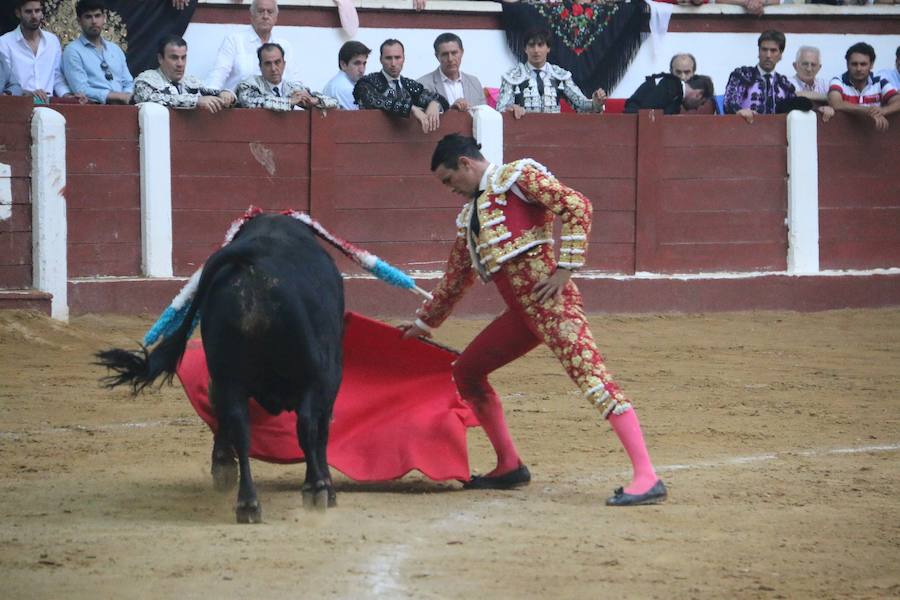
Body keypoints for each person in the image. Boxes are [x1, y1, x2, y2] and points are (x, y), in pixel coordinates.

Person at [400, 134, 667, 507]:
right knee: (467, 372)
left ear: (465, 163)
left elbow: (578, 206)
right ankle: (509, 465)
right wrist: (424, 324)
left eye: (449, 180)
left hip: (553, 305)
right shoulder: (471, 215)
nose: (450, 190)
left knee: (592, 378)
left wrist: (565, 269)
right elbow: (457, 278)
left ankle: (647, 475)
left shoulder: (518, 177)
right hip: (523, 315)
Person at [724, 30, 832, 124]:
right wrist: (739, 111)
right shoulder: (742, 75)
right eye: (764, 49)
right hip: (745, 133)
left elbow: (796, 108)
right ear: (758, 51)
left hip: (775, 139)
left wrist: (820, 109)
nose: (768, 55)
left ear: (780, 55)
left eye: (773, 50)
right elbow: (729, 102)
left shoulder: (784, 84)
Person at [496, 29, 606, 118]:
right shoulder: (512, 77)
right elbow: (500, 109)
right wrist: (511, 108)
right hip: (522, 135)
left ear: (548, 48)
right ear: (525, 49)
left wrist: (595, 103)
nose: (536, 50)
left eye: (540, 45)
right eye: (531, 45)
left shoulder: (559, 75)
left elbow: (581, 104)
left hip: (554, 135)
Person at [353, 39, 449, 133]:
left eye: (397, 58)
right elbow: (377, 101)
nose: (393, 63)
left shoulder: (408, 85)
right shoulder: (367, 82)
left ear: (403, 59)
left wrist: (435, 103)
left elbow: (441, 100)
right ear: (381, 59)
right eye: (388, 58)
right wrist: (411, 108)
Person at [205, 0, 299, 92]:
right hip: (239, 105)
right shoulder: (234, 41)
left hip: (277, 105)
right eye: (260, 11)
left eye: (270, 12)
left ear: (276, 18)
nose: (265, 16)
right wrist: (209, 96)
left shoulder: (284, 46)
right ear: (251, 15)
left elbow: (294, 82)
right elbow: (218, 75)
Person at [133, 34, 236, 112]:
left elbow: (210, 93)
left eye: (183, 57)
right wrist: (196, 101)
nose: (180, 64)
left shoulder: (191, 82)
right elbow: (153, 98)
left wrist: (225, 94)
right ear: (160, 58)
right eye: (174, 58)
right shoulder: (145, 81)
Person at [0, 0, 75, 103]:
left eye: (37, 10)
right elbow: (6, 83)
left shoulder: (52, 41)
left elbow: (57, 77)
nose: (34, 16)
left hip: (49, 106)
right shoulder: (5, 42)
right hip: (18, 104)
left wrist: (67, 95)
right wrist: (26, 93)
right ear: (18, 13)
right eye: (28, 12)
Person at [62, 0, 133, 105]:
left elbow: (128, 82)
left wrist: (127, 96)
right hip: (93, 109)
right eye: (88, 17)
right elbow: (81, 89)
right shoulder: (72, 51)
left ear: (104, 18)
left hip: (125, 108)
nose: (94, 21)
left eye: (97, 15)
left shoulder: (115, 49)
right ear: (79, 21)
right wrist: (116, 96)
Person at [236, 43, 337, 111]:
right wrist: (289, 101)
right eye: (268, 63)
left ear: (284, 64)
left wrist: (314, 101)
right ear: (260, 66)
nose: (273, 68)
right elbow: (253, 102)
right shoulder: (249, 84)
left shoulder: (292, 88)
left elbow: (334, 102)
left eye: (277, 62)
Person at [828, 42, 900, 133]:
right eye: (854, 64)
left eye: (863, 64)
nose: (859, 68)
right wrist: (867, 111)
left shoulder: (879, 81)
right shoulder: (838, 81)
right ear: (847, 64)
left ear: (872, 65)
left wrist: (883, 111)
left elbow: (898, 101)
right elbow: (835, 103)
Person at [417, 32, 485, 111]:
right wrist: (451, 111)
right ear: (437, 56)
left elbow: (484, 115)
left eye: (454, 53)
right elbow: (419, 119)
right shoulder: (423, 85)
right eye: (445, 54)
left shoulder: (474, 83)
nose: (450, 59)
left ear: (462, 52)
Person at [624, 73, 714, 114]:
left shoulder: (675, 95)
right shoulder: (669, 86)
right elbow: (646, 114)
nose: (697, 108)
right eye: (702, 103)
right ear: (698, 94)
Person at [322, 40, 370, 110]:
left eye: (364, 64)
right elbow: (360, 119)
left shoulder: (337, 82)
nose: (362, 70)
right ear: (343, 65)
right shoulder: (345, 88)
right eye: (357, 63)